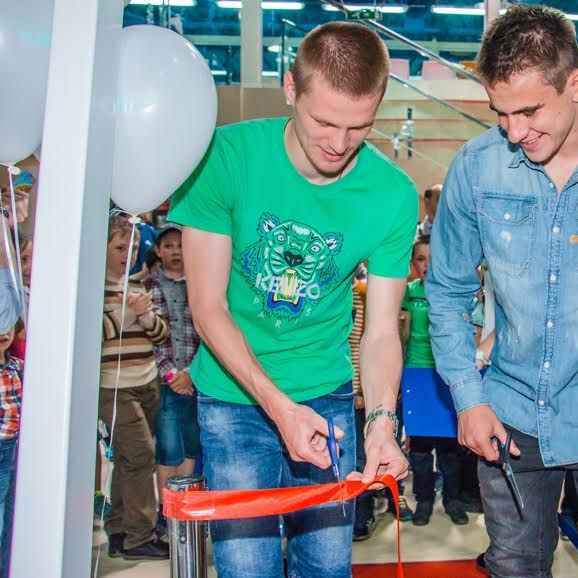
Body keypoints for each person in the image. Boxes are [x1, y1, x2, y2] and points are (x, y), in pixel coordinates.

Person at [169, 21, 418, 577]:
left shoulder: (393, 195)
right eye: (324, 121)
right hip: (233, 397)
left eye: (360, 127)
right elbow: (208, 309)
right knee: (246, 568)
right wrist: (278, 408)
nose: (338, 143)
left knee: (326, 568)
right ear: (290, 90)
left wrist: (380, 420)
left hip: (327, 395)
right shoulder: (222, 158)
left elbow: (380, 331)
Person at [426, 5, 578, 576]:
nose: (515, 132)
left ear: (574, 83)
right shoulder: (477, 168)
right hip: (511, 416)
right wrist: (468, 397)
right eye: (501, 113)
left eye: (530, 110)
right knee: (514, 566)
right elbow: (444, 291)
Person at [99, 216, 170, 560]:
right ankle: (140, 534)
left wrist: (143, 317)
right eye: (117, 248)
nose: (125, 255)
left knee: (132, 459)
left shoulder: (138, 287)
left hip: (147, 380)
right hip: (114, 387)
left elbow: (161, 333)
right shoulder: (92, 290)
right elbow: (95, 335)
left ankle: (120, 528)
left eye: (130, 248)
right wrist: (127, 316)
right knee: (140, 456)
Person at [401, 236, 468, 526]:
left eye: (432, 258)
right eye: (420, 259)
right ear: (413, 264)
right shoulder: (406, 292)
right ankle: (424, 501)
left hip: (447, 374)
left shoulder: (452, 293)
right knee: (419, 448)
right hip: (415, 374)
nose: (427, 265)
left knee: (451, 447)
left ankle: (453, 500)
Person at [143, 224, 201, 537]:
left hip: (196, 378)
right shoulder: (150, 286)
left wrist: (192, 373)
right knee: (168, 448)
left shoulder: (201, 283)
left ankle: (187, 509)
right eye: (168, 246)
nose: (176, 252)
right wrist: (172, 374)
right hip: (165, 380)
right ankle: (167, 512)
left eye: (180, 245)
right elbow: (152, 339)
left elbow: (209, 331)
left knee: (193, 444)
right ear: (158, 251)